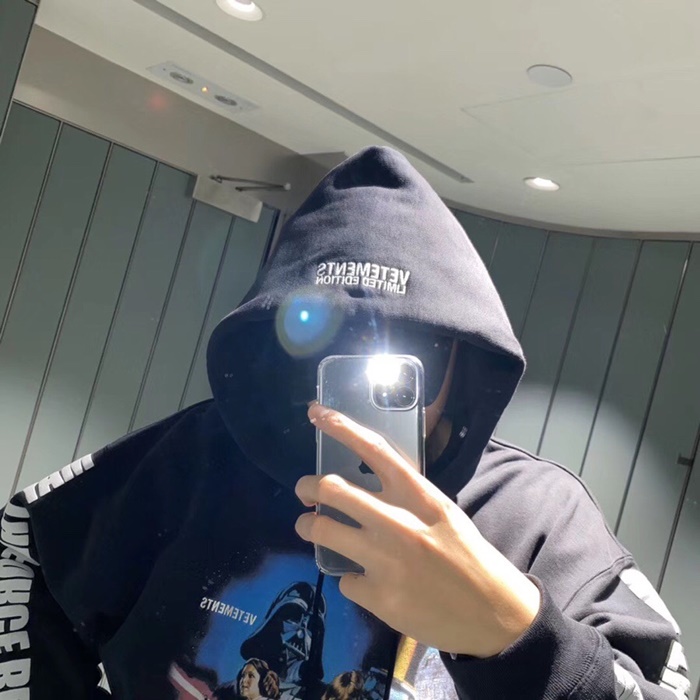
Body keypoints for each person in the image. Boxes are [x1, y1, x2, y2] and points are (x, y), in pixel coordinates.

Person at [0, 146, 689, 699]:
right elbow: (23, 544)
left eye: (412, 348)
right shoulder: (185, 466)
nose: (360, 372)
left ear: (463, 362)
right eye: (320, 340)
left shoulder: (537, 517)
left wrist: (513, 632)